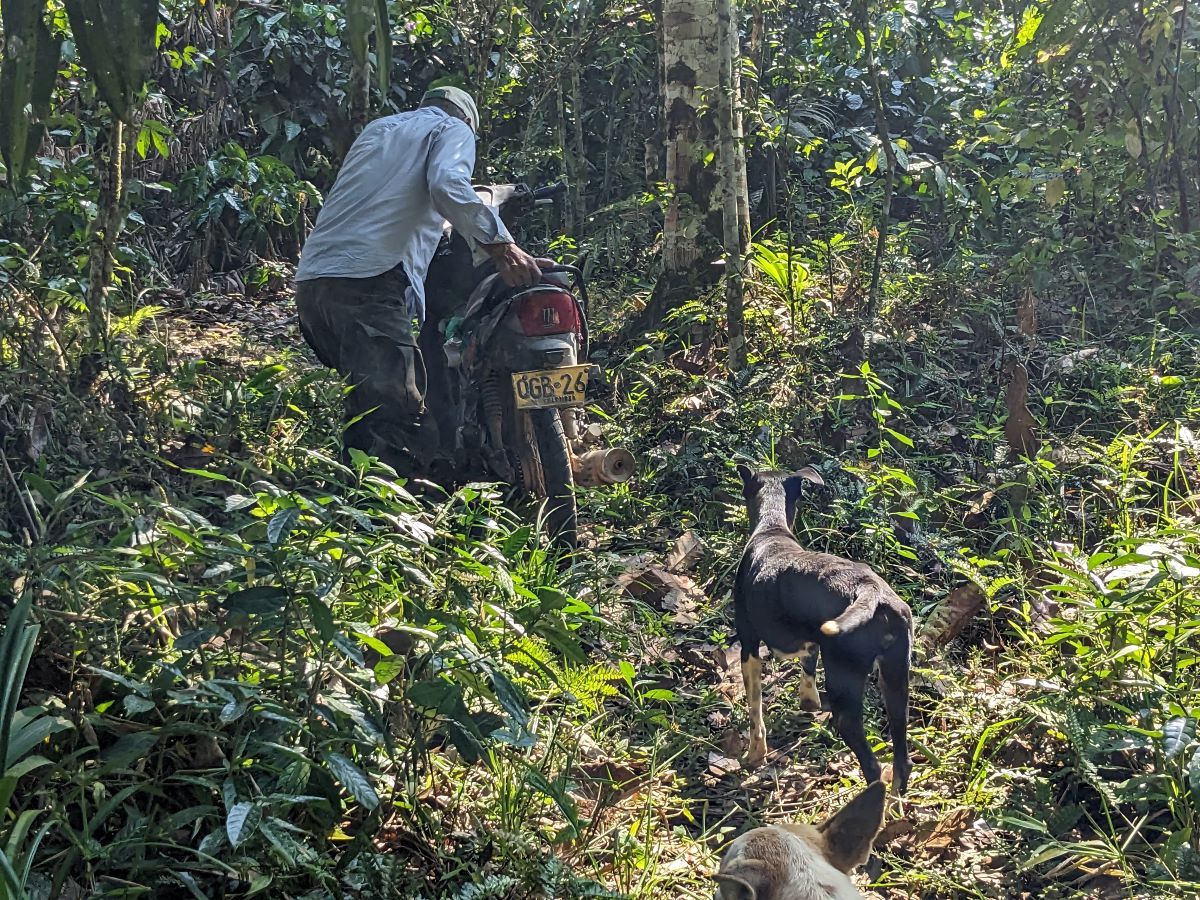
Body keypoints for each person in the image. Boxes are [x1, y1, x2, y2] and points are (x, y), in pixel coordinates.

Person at [294, 85, 545, 472]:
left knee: (366, 404)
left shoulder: (380, 129)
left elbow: (385, 199)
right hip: (368, 280)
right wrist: (502, 247)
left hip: (314, 283)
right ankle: (387, 516)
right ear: (467, 121)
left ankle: (354, 500)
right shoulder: (451, 129)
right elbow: (447, 184)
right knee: (395, 408)